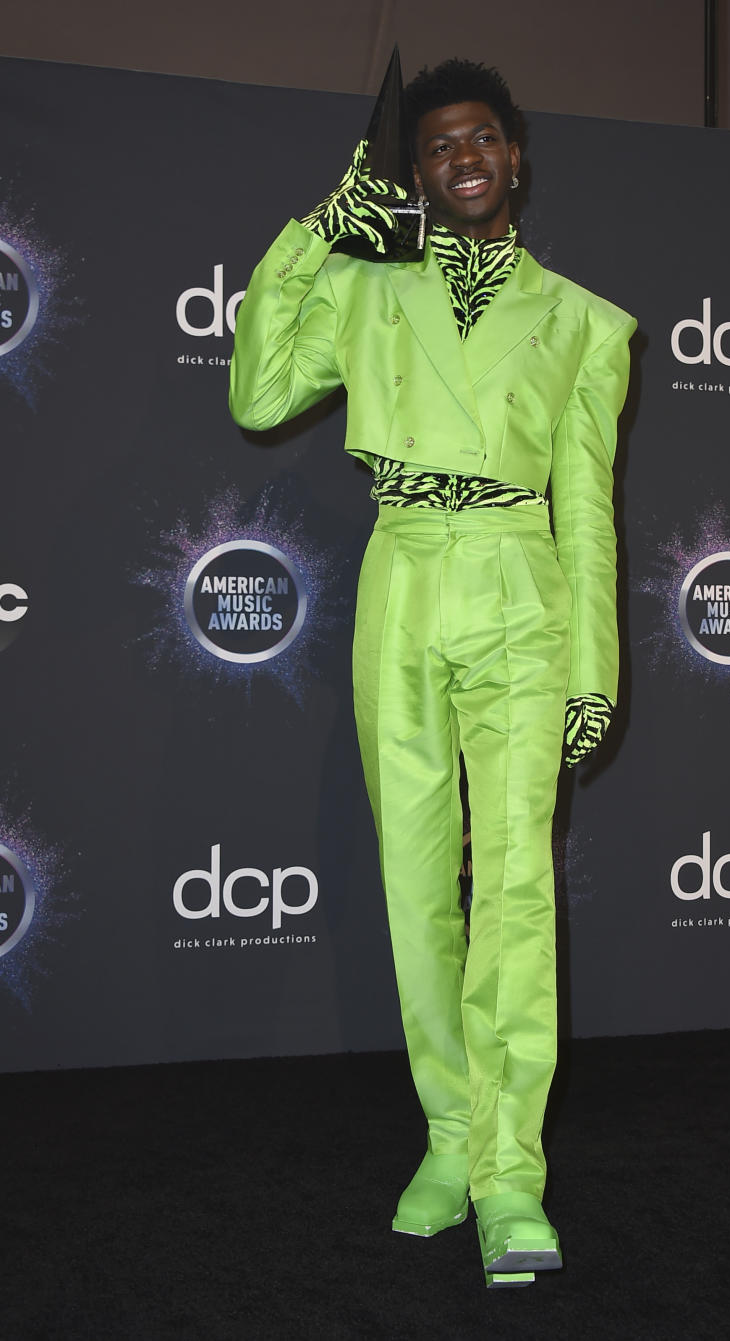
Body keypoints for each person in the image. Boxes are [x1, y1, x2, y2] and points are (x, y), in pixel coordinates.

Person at [229, 58, 635, 1288]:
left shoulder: (583, 322)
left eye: (482, 139)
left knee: (514, 891)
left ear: (515, 158)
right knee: (417, 885)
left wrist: (593, 671)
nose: (461, 156)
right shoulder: (362, 290)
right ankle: (449, 1141)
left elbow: (590, 512)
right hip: (402, 576)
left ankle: (514, 1175)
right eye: (437, 145)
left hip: (521, 589)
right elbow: (256, 396)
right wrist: (313, 232)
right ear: (414, 171)